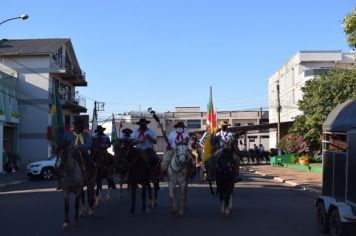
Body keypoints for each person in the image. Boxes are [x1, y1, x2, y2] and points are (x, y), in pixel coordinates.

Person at [57, 116, 93, 190]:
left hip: (83, 153)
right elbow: (64, 143)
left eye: (81, 125)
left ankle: (90, 179)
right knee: (59, 166)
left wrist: (80, 147)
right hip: (71, 154)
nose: (80, 127)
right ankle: (61, 182)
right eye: (78, 125)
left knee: (91, 164)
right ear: (75, 126)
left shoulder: (86, 135)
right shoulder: (68, 134)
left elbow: (89, 145)